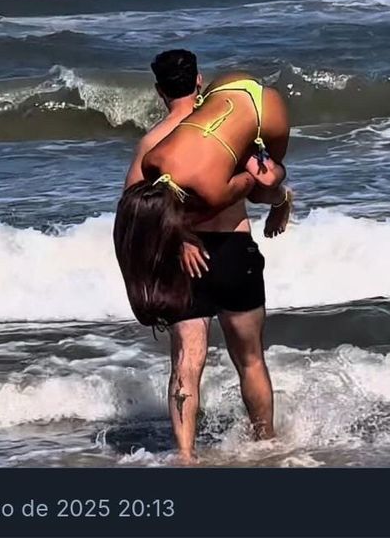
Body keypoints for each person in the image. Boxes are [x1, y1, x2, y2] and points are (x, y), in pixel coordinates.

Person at [115, 49, 291, 462]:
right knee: (250, 359)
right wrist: (280, 199)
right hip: (233, 251)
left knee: (186, 362)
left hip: (182, 260)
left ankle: (185, 455)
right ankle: (265, 445)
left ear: (159, 90)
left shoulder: (153, 144)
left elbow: (136, 212)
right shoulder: (226, 131)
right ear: (199, 81)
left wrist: (181, 240)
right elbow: (263, 184)